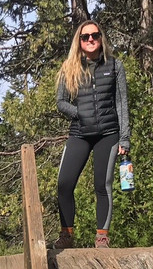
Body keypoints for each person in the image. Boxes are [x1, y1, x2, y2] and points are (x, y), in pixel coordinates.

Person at [53, 19, 130, 249]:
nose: (90, 40)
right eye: (85, 37)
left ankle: (102, 237)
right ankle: (66, 235)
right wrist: (80, 113)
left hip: (108, 133)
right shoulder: (70, 68)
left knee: (102, 184)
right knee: (64, 184)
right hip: (80, 133)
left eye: (94, 35)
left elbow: (122, 104)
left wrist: (125, 137)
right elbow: (60, 102)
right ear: (79, 40)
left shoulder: (115, 66)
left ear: (101, 38)